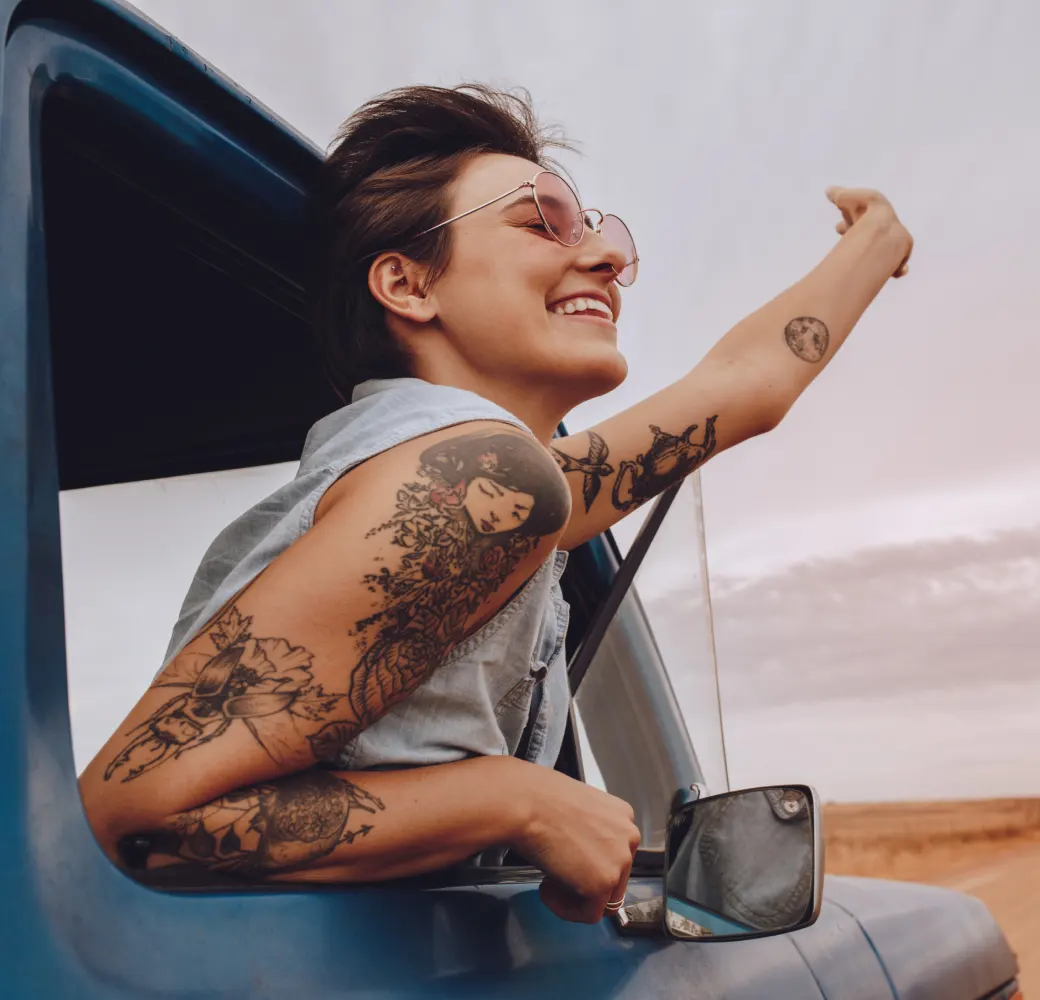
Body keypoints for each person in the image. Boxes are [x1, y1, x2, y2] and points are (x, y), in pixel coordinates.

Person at [78, 84, 913, 925]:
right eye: (540, 221)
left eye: (600, 232)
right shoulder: (480, 480)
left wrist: (877, 239)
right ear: (407, 284)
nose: (605, 260)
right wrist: (513, 801)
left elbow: (746, 386)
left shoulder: (504, 486)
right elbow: (133, 822)